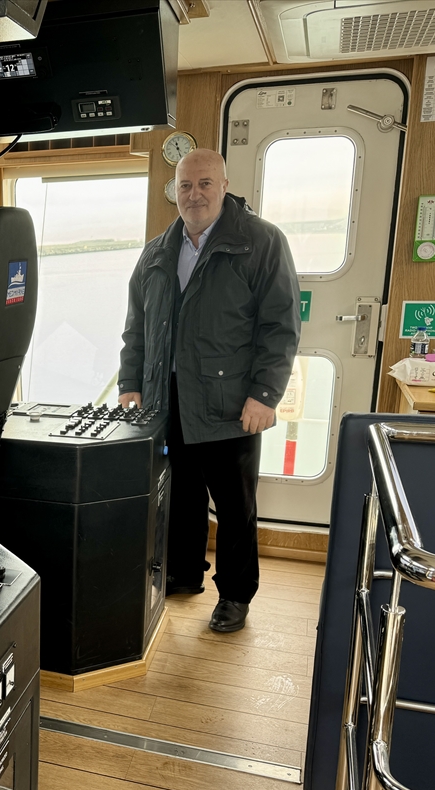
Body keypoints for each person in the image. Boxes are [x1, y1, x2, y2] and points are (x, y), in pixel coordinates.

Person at [117, 148, 300, 633]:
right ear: (174, 191)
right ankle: (182, 573)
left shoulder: (261, 242)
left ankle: (236, 595)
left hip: (232, 404)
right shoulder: (156, 252)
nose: (194, 194)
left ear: (224, 186)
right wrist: (130, 382)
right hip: (167, 399)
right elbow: (136, 327)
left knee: (235, 507)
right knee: (179, 496)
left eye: (204, 184)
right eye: (185, 185)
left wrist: (266, 394)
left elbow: (281, 327)